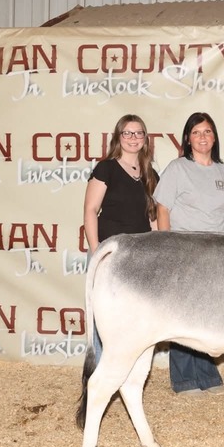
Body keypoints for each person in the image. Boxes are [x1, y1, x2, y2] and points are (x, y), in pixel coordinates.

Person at [154, 112, 224, 395]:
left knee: (210, 316)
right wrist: (168, 246)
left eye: (207, 131)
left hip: (218, 253)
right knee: (182, 316)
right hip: (184, 252)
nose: (202, 137)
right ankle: (184, 379)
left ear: (214, 137)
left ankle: (207, 374)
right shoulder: (178, 168)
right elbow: (163, 209)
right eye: (196, 132)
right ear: (187, 139)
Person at [83, 114, 159, 360]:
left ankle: (126, 367)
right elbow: (90, 210)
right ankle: (98, 369)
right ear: (118, 137)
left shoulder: (151, 174)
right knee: (104, 316)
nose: (133, 138)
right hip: (110, 252)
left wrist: (160, 249)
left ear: (145, 139)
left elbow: (153, 217)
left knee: (135, 315)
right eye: (127, 133)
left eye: (138, 133)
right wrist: (96, 250)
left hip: (141, 256)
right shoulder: (107, 168)